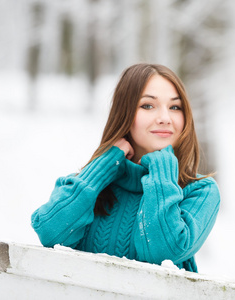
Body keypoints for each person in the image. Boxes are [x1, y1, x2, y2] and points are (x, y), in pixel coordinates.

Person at [31, 63, 220, 272]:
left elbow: (163, 253)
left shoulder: (200, 192)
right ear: (125, 114)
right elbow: (50, 232)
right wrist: (103, 165)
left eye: (175, 107)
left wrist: (161, 169)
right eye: (148, 105)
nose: (165, 118)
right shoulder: (87, 184)